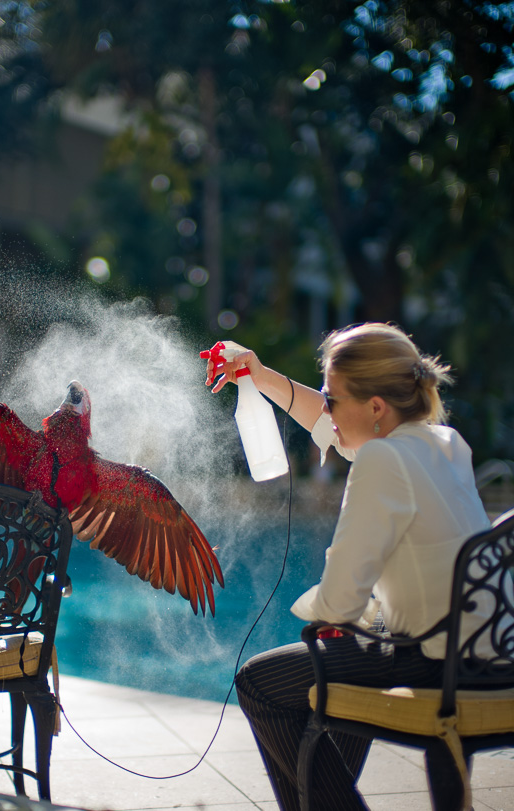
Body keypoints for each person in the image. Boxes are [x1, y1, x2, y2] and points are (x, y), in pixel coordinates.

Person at [204, 322, 491, 811]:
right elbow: (334, 425)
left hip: (433, 661)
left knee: (260, 683)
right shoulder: (446, 443)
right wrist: (260, 374)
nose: (327, 409)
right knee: (350, 650)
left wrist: (323, 592)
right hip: (487, 655)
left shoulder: (381, 459)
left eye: (332, 398)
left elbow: (338, 603)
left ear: (376, 406)